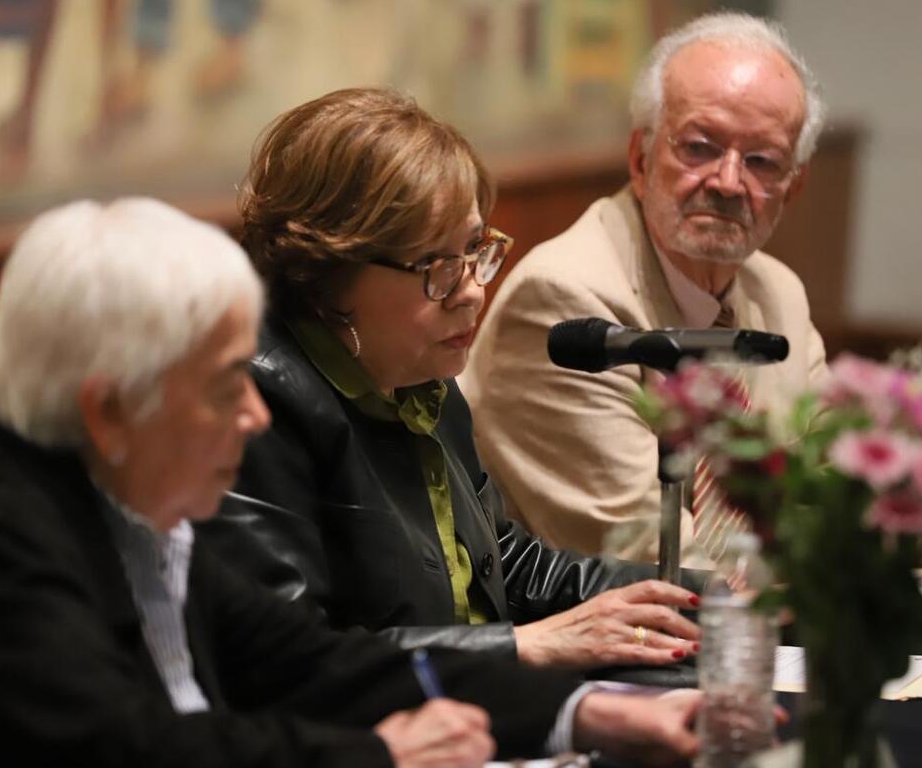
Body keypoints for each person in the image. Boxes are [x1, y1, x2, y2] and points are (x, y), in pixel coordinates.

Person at [0, 198, 705, 767]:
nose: (256, 413)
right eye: (225, 383)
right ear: (110, 408)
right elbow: (129, 748)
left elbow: (318, 664)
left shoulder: (118, 498)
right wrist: (377, 755)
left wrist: (585, 714)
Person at [197, 87, 704, 673]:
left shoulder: (421, 379)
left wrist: (706, 599)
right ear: (329, 272)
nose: (471, 291)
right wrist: (525, 647)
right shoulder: (256, 405)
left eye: (474, 252)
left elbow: (503, 565)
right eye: (437, 268)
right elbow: (288, 659)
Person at [462, 12, 830, 568]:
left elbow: (840, 485)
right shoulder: (565, 298)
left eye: (761, 161)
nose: (729, 183)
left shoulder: (779, 292)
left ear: (792, 187)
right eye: (700, 148)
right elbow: (649, 550)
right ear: (640, 158)